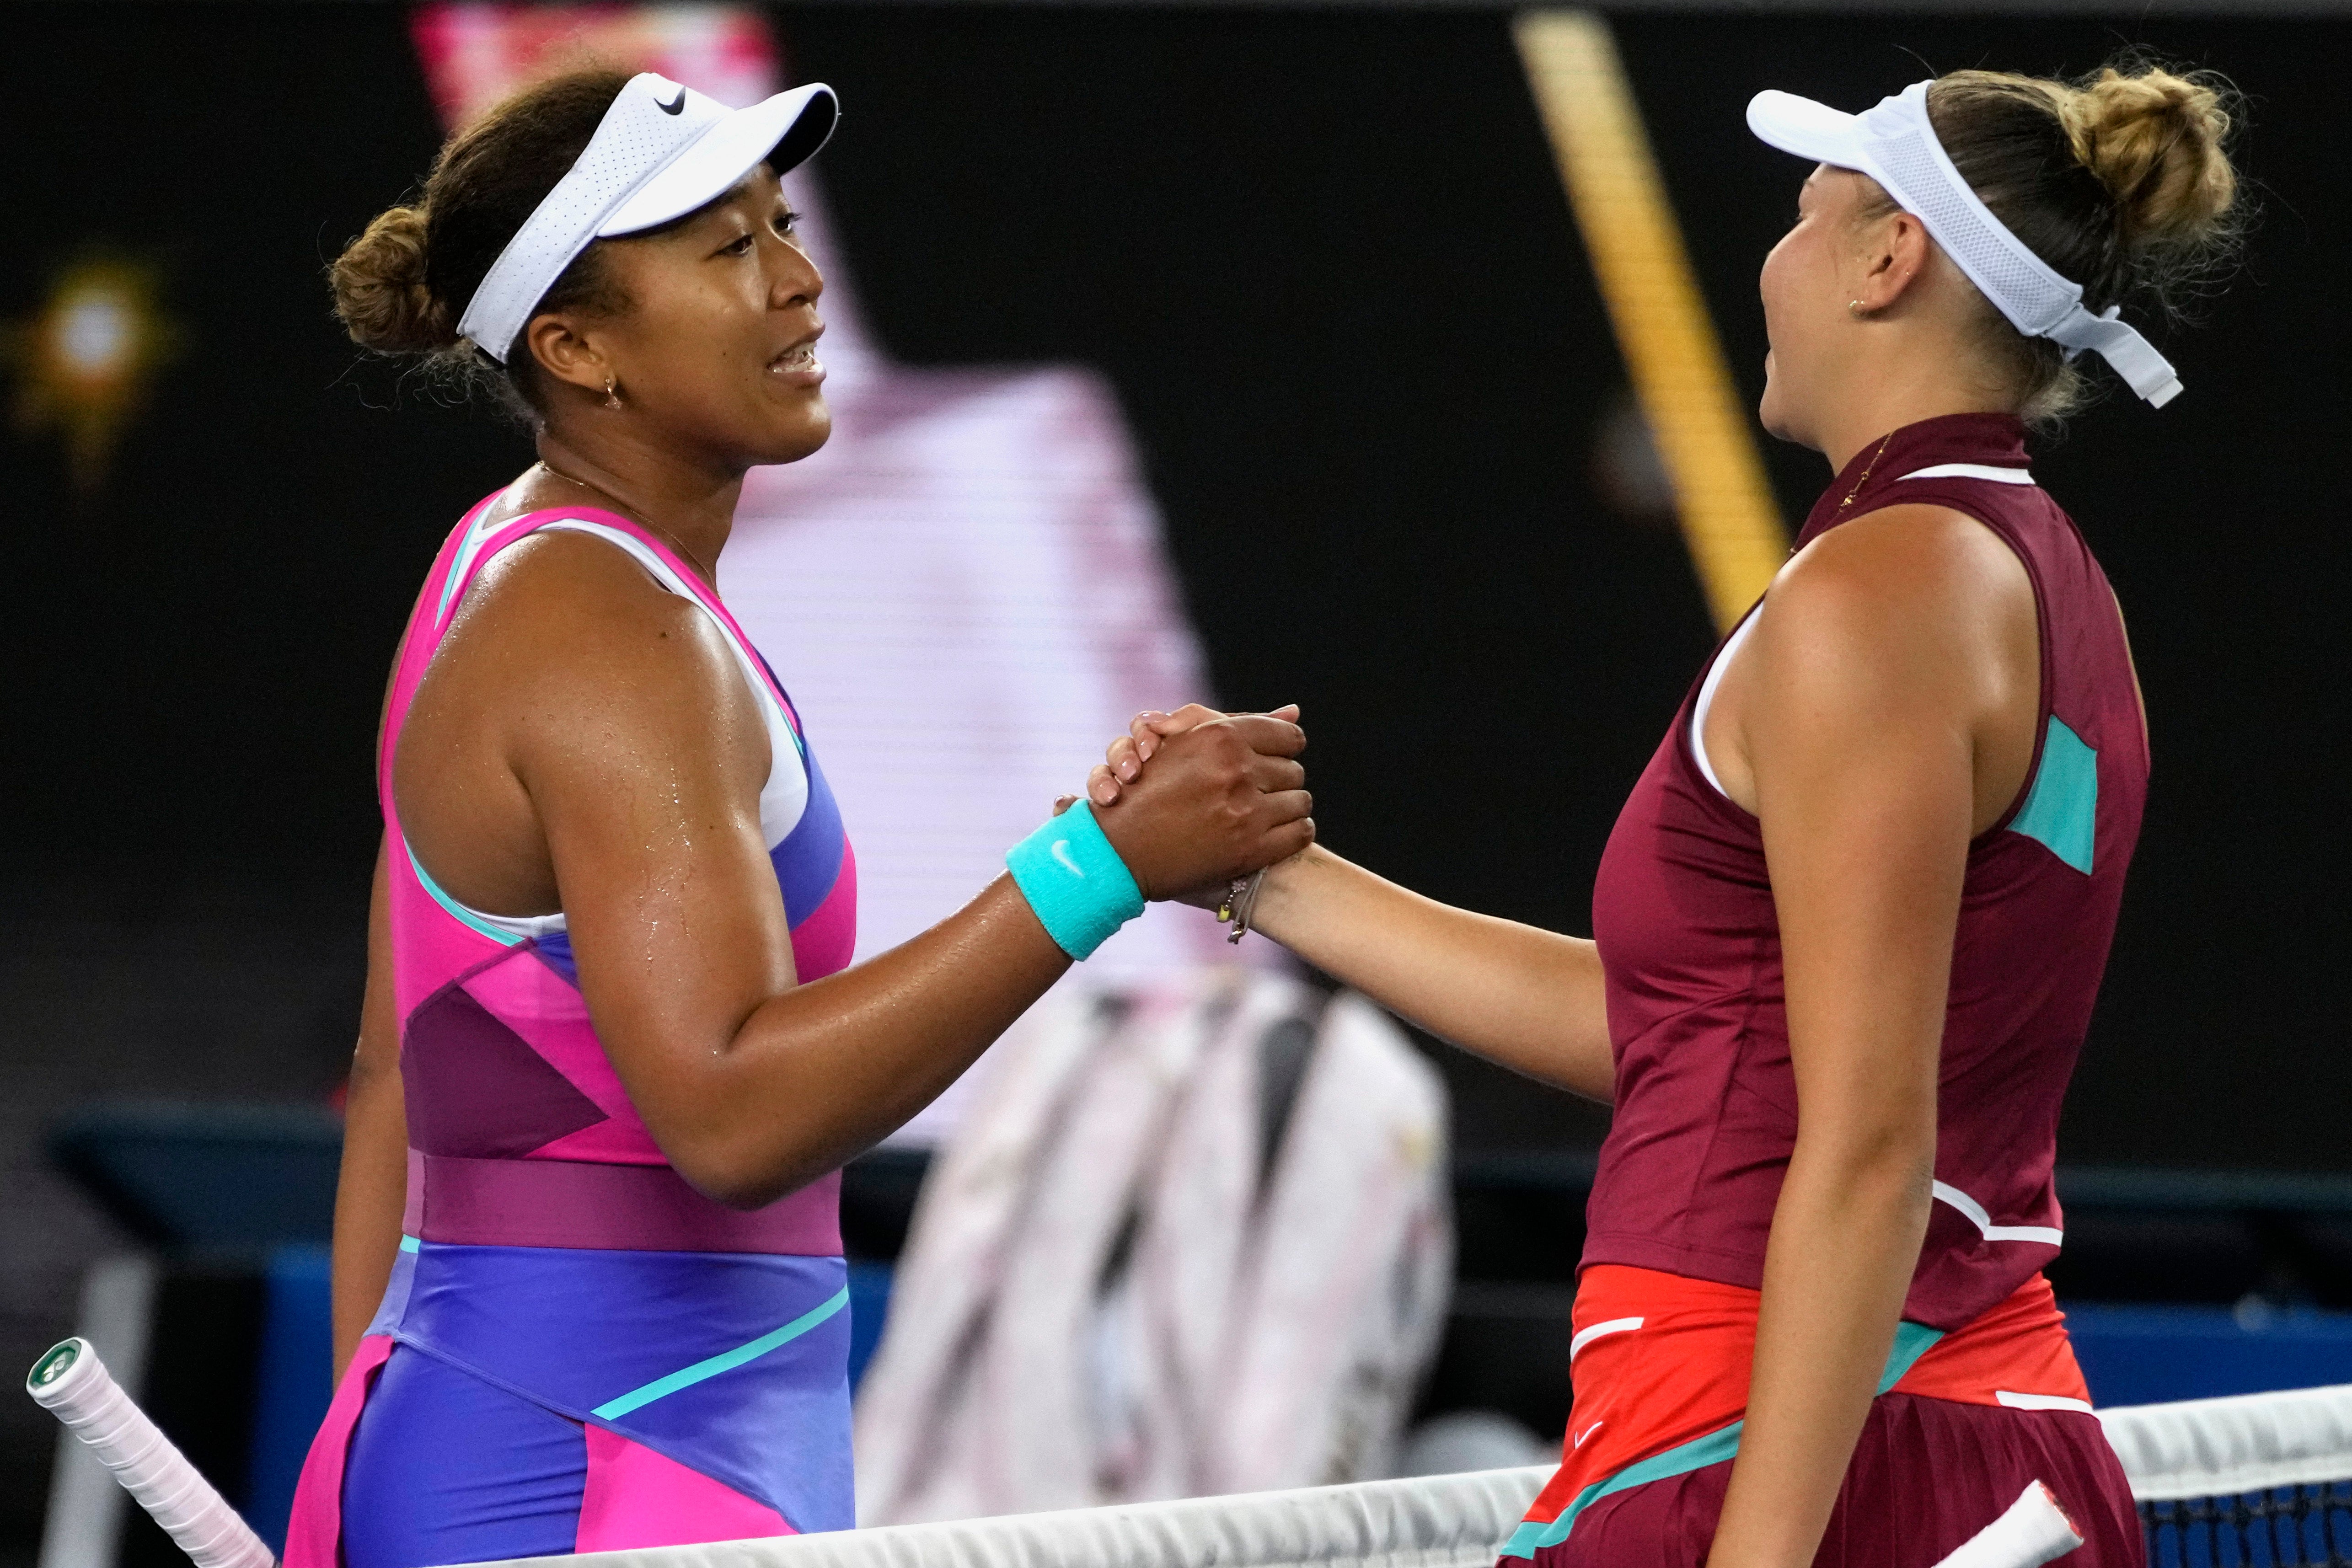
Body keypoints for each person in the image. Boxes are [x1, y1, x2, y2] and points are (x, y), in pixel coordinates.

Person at [1093, 59, 2240, 1568]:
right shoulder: (2051, 592)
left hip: (1764, 1442)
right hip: (1959, 1439)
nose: (1773, 261)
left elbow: (1872, 1145)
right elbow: (1702, 1031)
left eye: (1803, 215)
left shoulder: (1881, 596)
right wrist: (1271, 879)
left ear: (1889, 257)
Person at [289, 70, 1313, 1568]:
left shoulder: (509, 563)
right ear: (579, 350)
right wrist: (1102, 866)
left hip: (545, 1451)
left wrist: (375, 1453)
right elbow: (732, 1116)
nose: (799, 278)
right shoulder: (603, 633)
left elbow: (399, 1072)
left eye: (781, 224)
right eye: (723, 250)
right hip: (604, 1474)